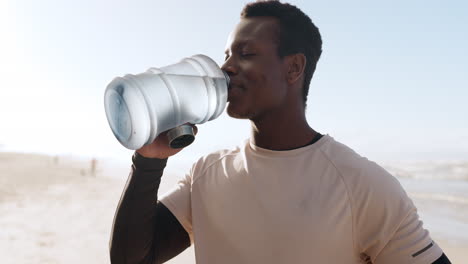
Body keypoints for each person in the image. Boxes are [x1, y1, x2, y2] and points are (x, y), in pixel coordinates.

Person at [109, 1, 451, 263]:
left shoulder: (361, 184)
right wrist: (149, 160)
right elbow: (132, 258)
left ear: (293, 68)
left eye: (245, 54)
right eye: (227, 54)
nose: (226, 67)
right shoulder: (207, 173)